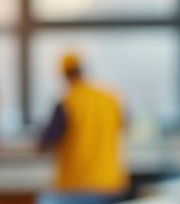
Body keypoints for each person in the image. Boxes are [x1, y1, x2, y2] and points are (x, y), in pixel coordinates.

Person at [37, 52, 128, 194]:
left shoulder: (67, 103)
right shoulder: (110, 98)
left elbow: (47, 142)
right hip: (110, 181)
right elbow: (124, 125)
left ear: (65, 75)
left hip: (76, 186)